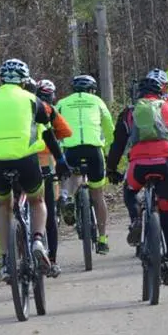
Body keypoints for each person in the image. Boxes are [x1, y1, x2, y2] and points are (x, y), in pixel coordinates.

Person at [0, 59, 69, 281]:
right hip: (26, 160)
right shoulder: (33, 100)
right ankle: (36, 240)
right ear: (25, 80)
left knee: (3, 205)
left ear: (1, 79)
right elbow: (46, 132)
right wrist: (60, 160)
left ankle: (6, 261)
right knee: (37, 201)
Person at [106, 74, 168, 286]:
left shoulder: (129, 113)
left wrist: (111, 169)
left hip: (138, 167)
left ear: (138, 94)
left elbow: (117, 145)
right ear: (160, 92)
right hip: (165, 165)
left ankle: (136, 219)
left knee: (130, 191)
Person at [56, 74, 115, 254]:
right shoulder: (97, 101)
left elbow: (54, 127)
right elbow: (109, 127)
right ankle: (103, 239)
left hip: (71, 148)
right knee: (98, 195)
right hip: (93, 149)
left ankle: (67, 197)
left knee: (71, 175)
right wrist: (108, 148)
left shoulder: (62, 102)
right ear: (92, 89)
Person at [34, 78, 72, 278]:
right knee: (48, 207)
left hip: (20, 158)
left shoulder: (24, 107)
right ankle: (53, 261)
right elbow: (66, 131)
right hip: (47, 159)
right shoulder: (48, 109)